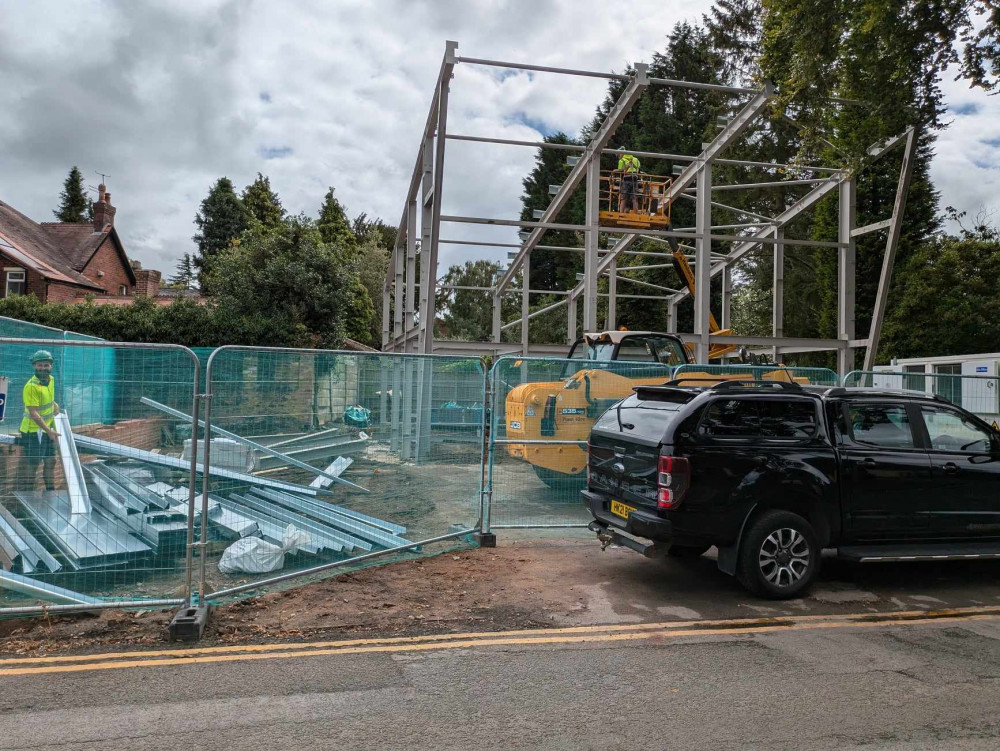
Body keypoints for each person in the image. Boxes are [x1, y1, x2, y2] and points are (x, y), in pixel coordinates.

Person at [17, 350, 60, 492]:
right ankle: (28, 492)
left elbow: (47, 397)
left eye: (46, 365)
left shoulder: (51, 380)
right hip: (33, 431)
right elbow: (33, 412)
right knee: (34, 463)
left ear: (51, 366)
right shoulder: (31, 386)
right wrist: (49, 431)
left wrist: (54, 403)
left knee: (51, 461)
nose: (43, 368)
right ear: (34, 366)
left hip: (47, 429)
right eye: (39, 365)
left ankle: (50, 490)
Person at [616, 146, 641, 212]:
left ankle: (621, 213)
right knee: (634, 198)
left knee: (623, 198)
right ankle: (636, 214)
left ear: (620, 154)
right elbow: (638, 169)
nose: (618, 157)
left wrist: (614, 171)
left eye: (618, 156)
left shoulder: (622, 160)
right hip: (635, 179)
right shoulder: (636, 159)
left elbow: (620, 171)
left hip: (626, 179)